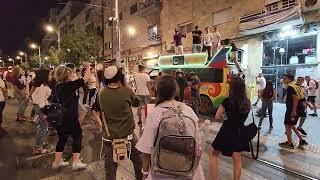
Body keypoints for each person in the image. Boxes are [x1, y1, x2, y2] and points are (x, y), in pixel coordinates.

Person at [136, 75, 205, 180]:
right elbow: (197, 143)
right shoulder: (188, 110)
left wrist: (144, 173)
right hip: (188, 169)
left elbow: (146, 151)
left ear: (157, 92)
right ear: (176, 92)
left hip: (162, 172)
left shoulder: (155, 113)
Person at [99, 66, 142, 180]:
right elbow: (137, 103)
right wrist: (126, 86)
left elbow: (98, 111)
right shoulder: (126, 91)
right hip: (128, 135)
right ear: (120, 77)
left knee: (110, 167)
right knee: (138, 160)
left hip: (109, 137)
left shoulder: (101, 94)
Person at [210, 77, 251, 180]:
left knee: (213, 154)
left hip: (227, 130)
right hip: (240, 131)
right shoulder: (247, 102)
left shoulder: (227, 101)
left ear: (232, 88)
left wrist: (226, 117)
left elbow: (217, 116)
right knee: (237, 158)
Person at [52, 63, 91, 170]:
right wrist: (87, 67)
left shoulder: (58, 86)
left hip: (61, 118)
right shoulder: (69, 86)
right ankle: (76, 162)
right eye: (69, 74)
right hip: (70, 117)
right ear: (66, 75)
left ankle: (56, 162)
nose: (71, 75)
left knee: (62, 138)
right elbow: (86, 78)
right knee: (77, 136)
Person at [278, 74, 308, 149]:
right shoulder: (296, 86)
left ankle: (289, 143)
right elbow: (302, 98)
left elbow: (295, 99)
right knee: (291, 125)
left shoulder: (290, 87)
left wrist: (293, 111)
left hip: (293, 109)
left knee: (287, 124)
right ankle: (301, 140)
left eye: (285, 78)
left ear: (289, 79)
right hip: (298, 108)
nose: (283, 80)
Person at [31, 69, 53, 154]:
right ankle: (38, 147)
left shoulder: (42, 85)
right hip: (41, 109)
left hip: (40, 108)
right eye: (50, 74)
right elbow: (41, 102)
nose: (51, 76)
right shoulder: (42, 87)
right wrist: (44, 114)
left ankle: (40, 143)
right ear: (45, 76)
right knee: (43, 127)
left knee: (42, 127)